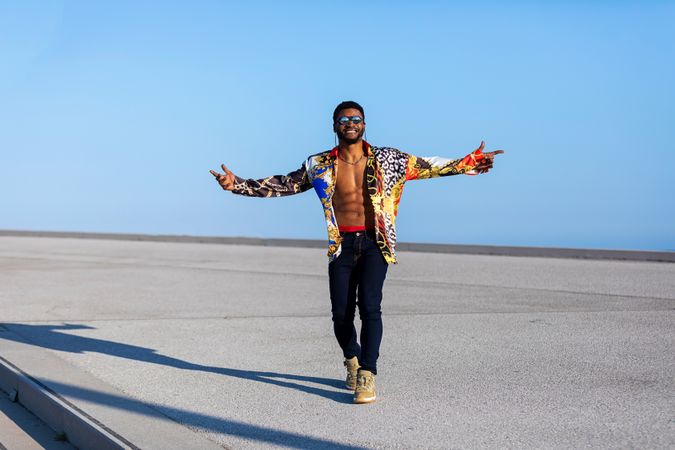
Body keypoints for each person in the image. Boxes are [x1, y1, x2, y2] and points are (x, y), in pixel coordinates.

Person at [210, 101, 504, 404]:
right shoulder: (318, 163)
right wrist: (238, 185)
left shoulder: (389, 159)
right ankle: (351, 357)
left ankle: (368, 374)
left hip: (376, 242)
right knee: (340, 314)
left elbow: (432, 166)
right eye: (343, 119)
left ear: (364, 124)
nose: (350, 123)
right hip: (342, 245)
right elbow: (285, 184)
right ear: (335, 125)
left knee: (370, 307)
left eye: (356, 118)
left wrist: (470, 161)